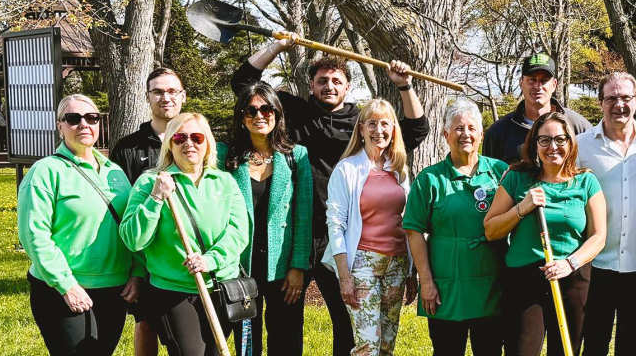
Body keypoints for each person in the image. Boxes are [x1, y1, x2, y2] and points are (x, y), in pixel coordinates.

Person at [232, 41, 428, 355]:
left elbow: (416, 130)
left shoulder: (359, 122)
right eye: (322, 80)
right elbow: (244, 84)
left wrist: (404, 86)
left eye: (337, 81)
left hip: (340, 239)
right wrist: (278, 46)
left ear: (348, 87)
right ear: (311, 85)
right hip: (296, 235)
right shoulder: (294, 112)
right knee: (287, 322)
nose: (329, 86)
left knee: (347, 322)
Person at [17, 94, 141, 355]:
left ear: (99, 124)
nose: (84, 124)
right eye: (73, 119)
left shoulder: (115, 172)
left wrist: (137, 272)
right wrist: (66, 285)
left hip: (114, 288)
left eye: (92, 117)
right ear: (60, 126)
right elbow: (34, 235)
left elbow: (132, 227)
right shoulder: (45, 171)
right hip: (63, 290)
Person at [120, 113, 249, 356]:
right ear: (170, 143)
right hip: (173, 291)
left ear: (207, 143)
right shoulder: (150, 182)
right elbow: (133, 239)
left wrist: (210, 260)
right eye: (180, 137)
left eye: (197, 137)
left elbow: (239, 232)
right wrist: (156, 197)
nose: (188, 143)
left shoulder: (224, 182)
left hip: (220, 287)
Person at [484, 112, 607, 356]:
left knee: (564, 351)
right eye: (545, 140)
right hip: (524, 280)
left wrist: (569, 263)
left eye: (560, 139)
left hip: (571, 277)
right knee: (521, 350)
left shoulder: (586, 181)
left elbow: (598, 237)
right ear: (535, 144)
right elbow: (490, 230)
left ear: (571, 143)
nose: (553, 147)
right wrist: (522, 208)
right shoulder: (517, 177)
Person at [403, 100, 509, 356]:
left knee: (490, 350)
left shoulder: (500, 172)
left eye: (472, 128)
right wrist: (425, 282)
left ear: (482, 134)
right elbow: (413, 231)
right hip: (445, 285)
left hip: (492, 283)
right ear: (445, 134)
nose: (466, 134)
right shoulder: (430, 178)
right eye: (458, 128)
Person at [575, 72, 636, 355]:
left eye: (626, 97)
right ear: (600, 102)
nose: (619, 104)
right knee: (593, 343)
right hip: (594, 266)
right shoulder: (581, 146)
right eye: (611, 98)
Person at [218, 84, 313, 356]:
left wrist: (298, 267)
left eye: (266, 108)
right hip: (240, 264)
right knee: (246, 341)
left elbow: (303, 216)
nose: (259, 115)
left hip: (282, 267)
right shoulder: (226, 156)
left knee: (286, 337)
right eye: (251, 110)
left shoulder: (297, 156)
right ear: (241, 117)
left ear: (277, 113)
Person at [323, 99, 418, 356]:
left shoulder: (400, 170)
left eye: (385, 124)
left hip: (397, 263)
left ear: (394, 129)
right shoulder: (347, 169)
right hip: (362, 264)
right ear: (361, 129)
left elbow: (409, 221)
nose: (379, 130)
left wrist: (412, 271)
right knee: (367, 345)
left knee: (387, 343)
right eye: (372, 124)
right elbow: (336, 224)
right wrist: (345, 277)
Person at [109, 67, 187, 356]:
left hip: (187, 258)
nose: (165, 97)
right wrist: (135, 271)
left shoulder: (197, 142)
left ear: (183, 96)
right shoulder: (128, 148)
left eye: (171, 91)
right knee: (146, 324)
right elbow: (121, 214)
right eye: (158, 91)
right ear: (147, 97)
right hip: (146, 258)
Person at [483, 53, 592, 164]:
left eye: (544, 80)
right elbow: (489, 176)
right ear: (521, 83)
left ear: (554, 84)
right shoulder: (498, 132)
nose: (538, 86)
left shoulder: (577, 126)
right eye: (532, 80)